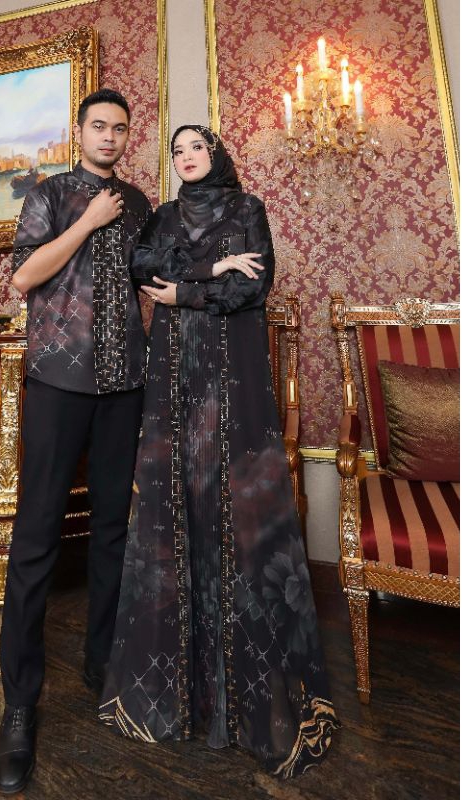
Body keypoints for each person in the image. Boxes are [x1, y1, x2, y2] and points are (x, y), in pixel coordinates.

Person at [98, 125, 339, 777]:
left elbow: (250, 289)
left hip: (232, 383)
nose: (185, 157)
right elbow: (143, 268)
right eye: (177, 151)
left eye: (195, 148)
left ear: (216, 154)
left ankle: (249, 704)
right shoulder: (165, 215)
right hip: (174, 380)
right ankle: (182, 697)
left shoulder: (246, 208)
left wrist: (186, 292)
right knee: (177, 514)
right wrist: (209, 270)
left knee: (236, 515)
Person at [0, 89, 152, 795]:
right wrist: (87, 222)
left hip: (125, 386)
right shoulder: (50, 195)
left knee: (114, 531)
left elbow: (155, 277)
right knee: (36, 538)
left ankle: (101, 663)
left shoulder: (141, 204)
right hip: (58, 381)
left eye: (120, 128)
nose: (110, 136)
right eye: (99, 126)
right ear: (80, 131)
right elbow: (24, 276)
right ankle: (19, 704)